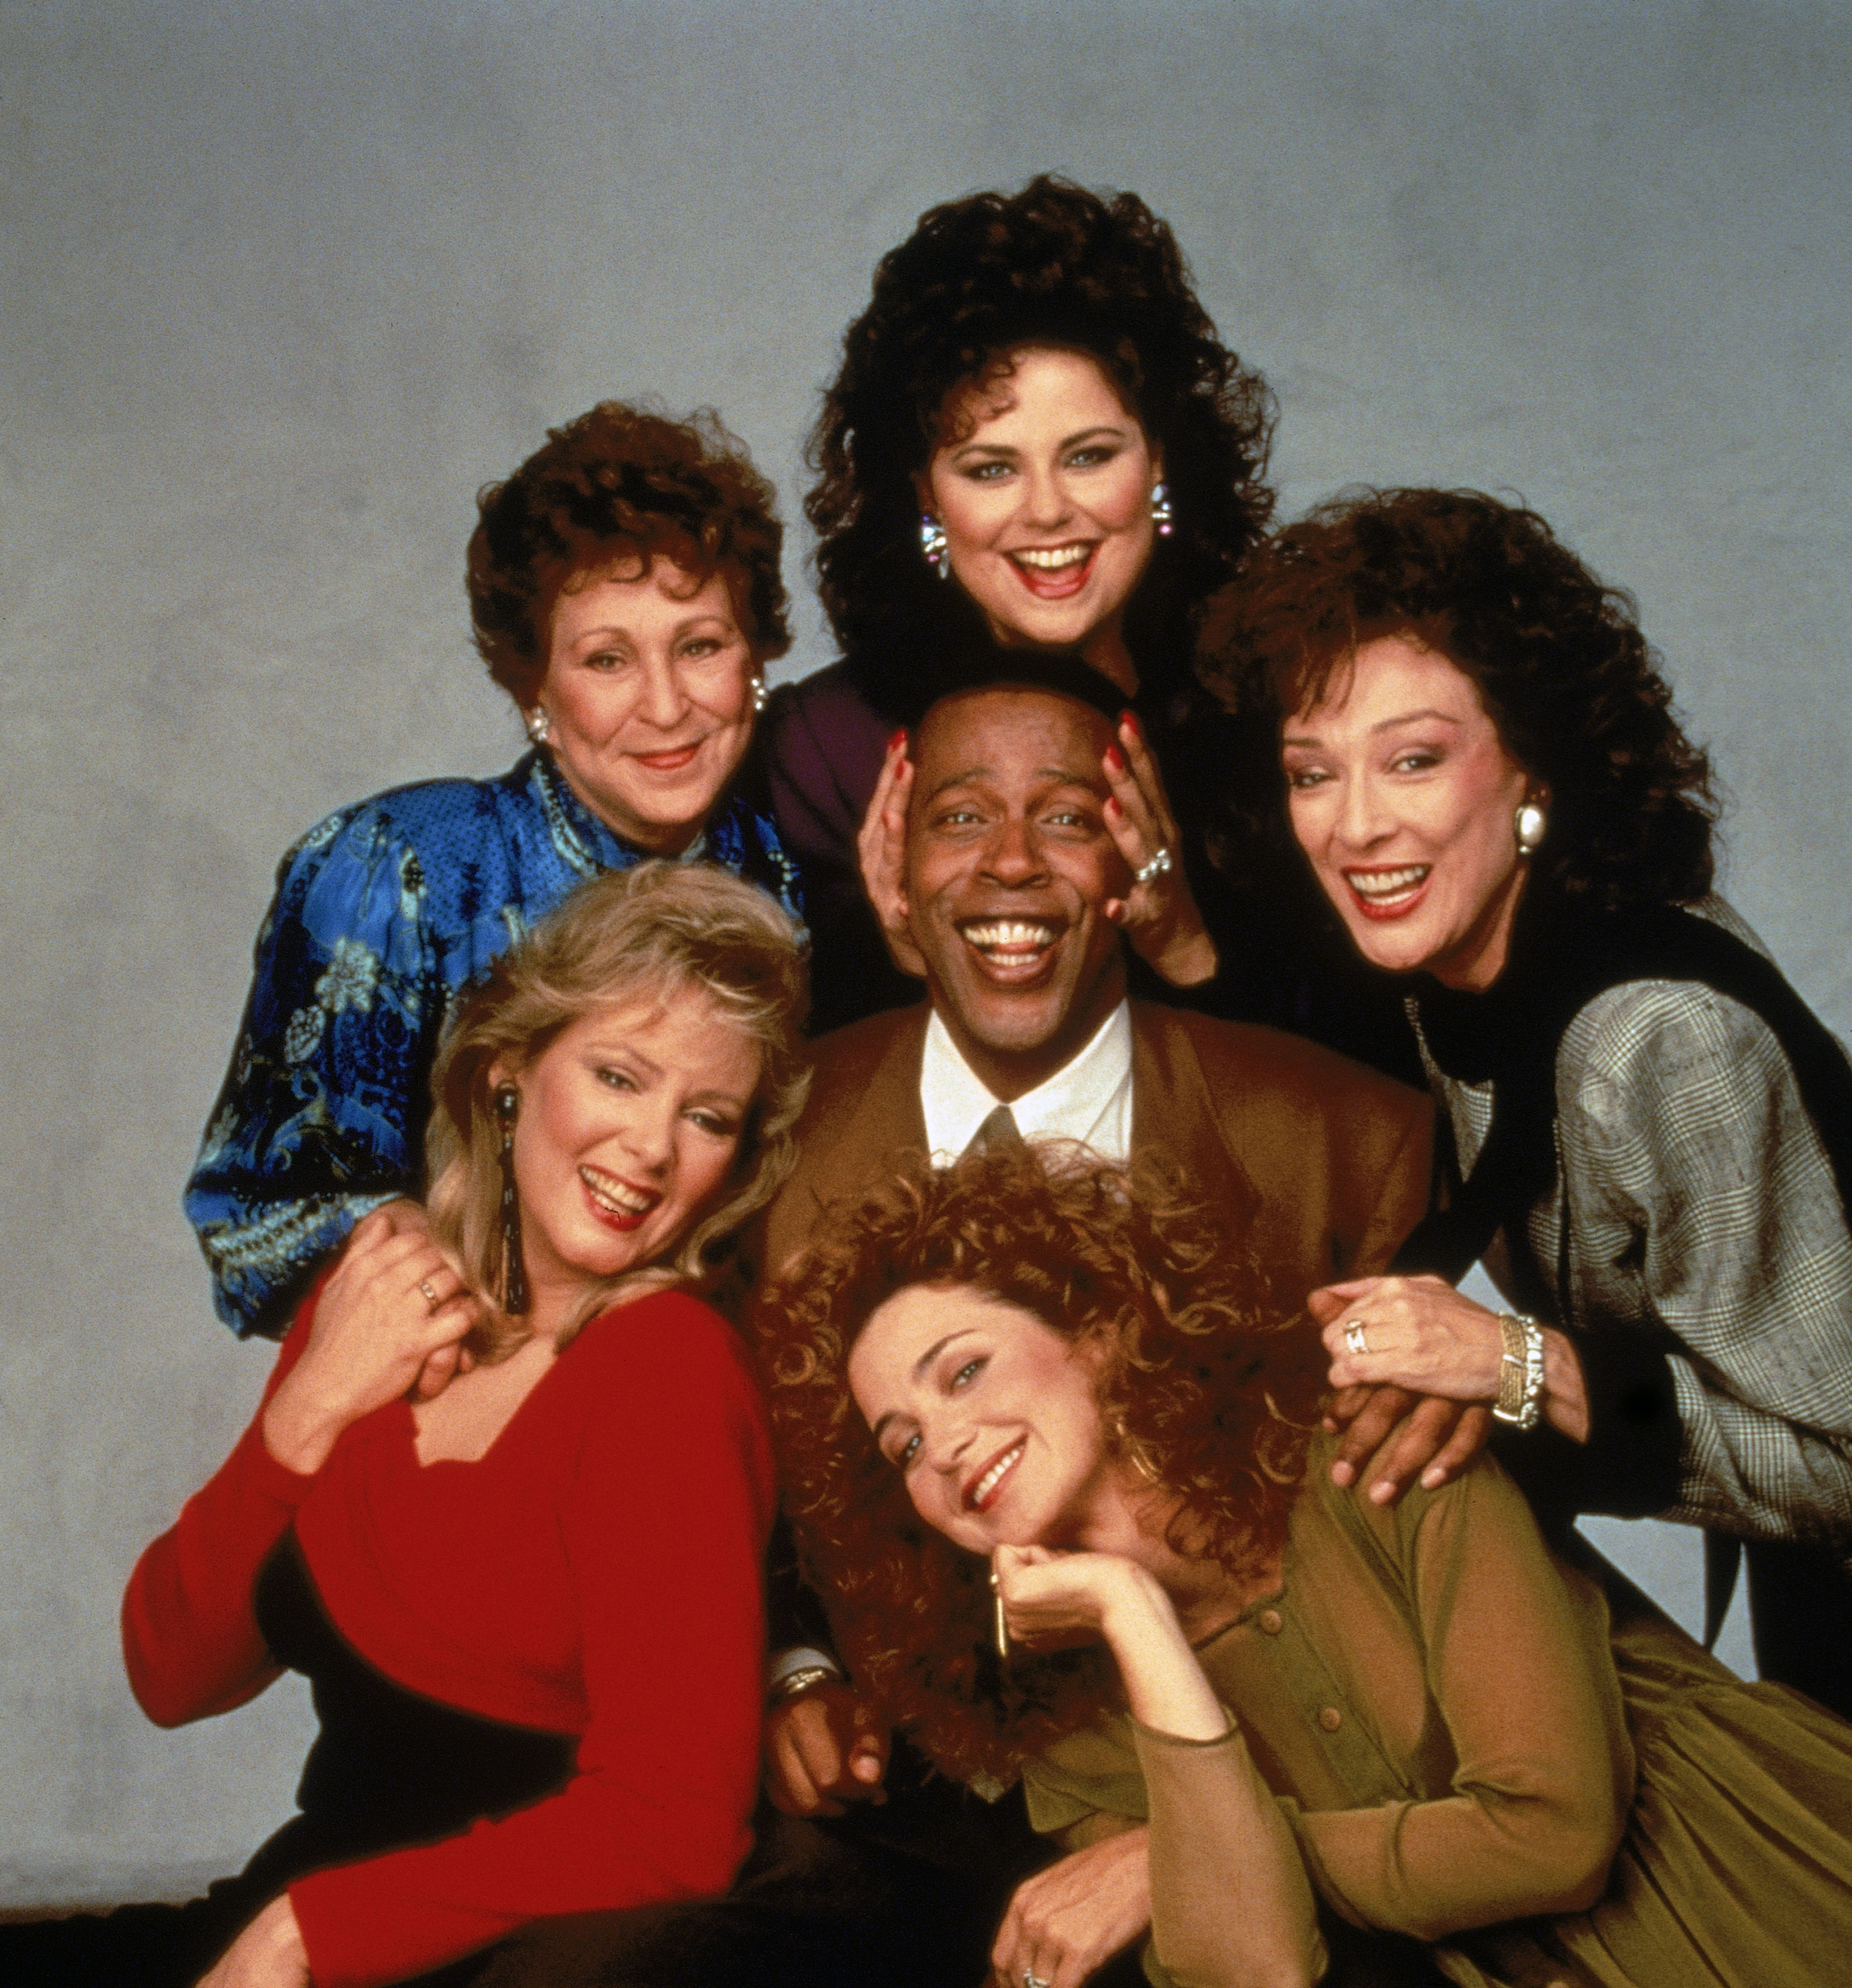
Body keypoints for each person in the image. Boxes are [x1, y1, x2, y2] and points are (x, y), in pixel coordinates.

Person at [462, 665, 1433, 1988]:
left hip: (1238, 1786)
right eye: (965, 817)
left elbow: (1417, 1606)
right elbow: (698, 1456)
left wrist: (1197, 1833)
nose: (1013, 863)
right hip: (892, 1807)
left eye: (1068, 817)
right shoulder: (770, 1124)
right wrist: (792, 1673)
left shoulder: (1344, 1142)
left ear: (1131, 859)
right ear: (896, 867)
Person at [768, 1146, 1852, 1988]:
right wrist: (1132, 1614)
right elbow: (1259, 1969)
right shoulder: (1055, 1707)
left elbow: (1554, 1832)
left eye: (962, 1370)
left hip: (1758, 1883)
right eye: (901, 1442)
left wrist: (1168, 1861)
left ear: (1095, 1329)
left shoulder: (1370, 1448)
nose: (944, 1444)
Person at [2, 863, 808, 1988]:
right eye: (619, 1076)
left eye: (706, 1115)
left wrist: (309, 1934)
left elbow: (672, 1823)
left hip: (478, 1951)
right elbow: (172, 1673)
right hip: (282, 1913)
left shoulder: (668, 1367)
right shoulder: (381, 1293)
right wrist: (311, 1405)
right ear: (510, 1071)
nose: (652, 1147)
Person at [1200, 486, 1852, 1718]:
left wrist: (1513, 1365)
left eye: (1413, 759)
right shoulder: (1450, 973)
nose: (1353, 826)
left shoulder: (1659, 1037)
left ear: (1531, 766)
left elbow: (1842, 1457)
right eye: (1310, 771)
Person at [188, 400, 805, 1343]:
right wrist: (459, 1299)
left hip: (707, 1395)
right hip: (449, 1398)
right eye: (608, 659)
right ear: (534, 689)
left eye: (701, 647)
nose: (668, 705)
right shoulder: (400, 866)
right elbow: (257, 1222)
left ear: (754, 659)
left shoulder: (787, 871)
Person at [767, 175, 1378, 1050]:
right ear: (924, 497)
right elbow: (799, 1105)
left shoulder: (1270, 720)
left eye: (1090, 456)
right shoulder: (830, 750)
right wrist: (910, 959)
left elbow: (1360, 1100)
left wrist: (1187, 946)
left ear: (1160, 463)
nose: (1048, 512)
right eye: (990, 469)